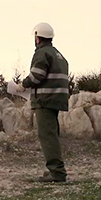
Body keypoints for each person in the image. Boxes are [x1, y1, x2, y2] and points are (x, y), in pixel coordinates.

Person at [8, 22, 69, 183]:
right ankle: (55, 170)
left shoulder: (42, 54)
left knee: (47, 135)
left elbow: (37, 76)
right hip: (56, 100)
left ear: (37, 38)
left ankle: (57, 172)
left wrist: (22, 86)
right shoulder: (58, 55)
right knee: (52, 134)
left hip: (45, 101)